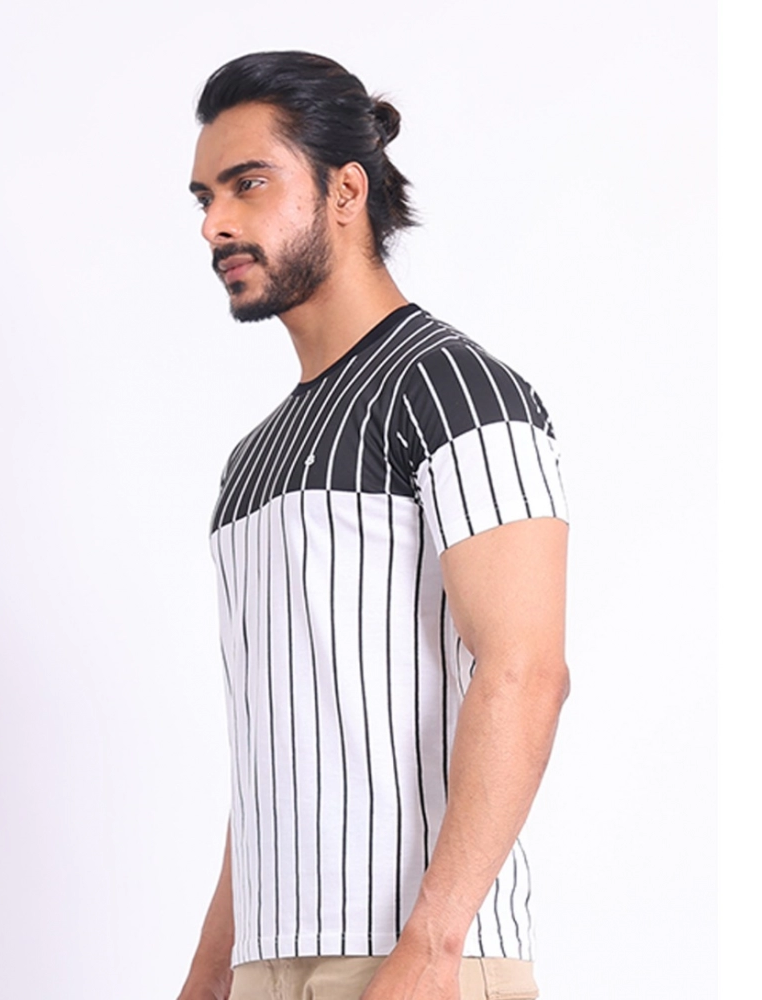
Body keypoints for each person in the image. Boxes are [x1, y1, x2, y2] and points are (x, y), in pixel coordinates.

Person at [177, 51, 570, 1000]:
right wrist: (209, 976)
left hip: (415, 957)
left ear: (346, 190)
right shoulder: (251, 461)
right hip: (267, 963)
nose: (215, 223)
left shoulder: (452, 386)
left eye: (248, 184)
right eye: (204, 197)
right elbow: (277, 747)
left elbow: (525, 672)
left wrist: (431, 950)